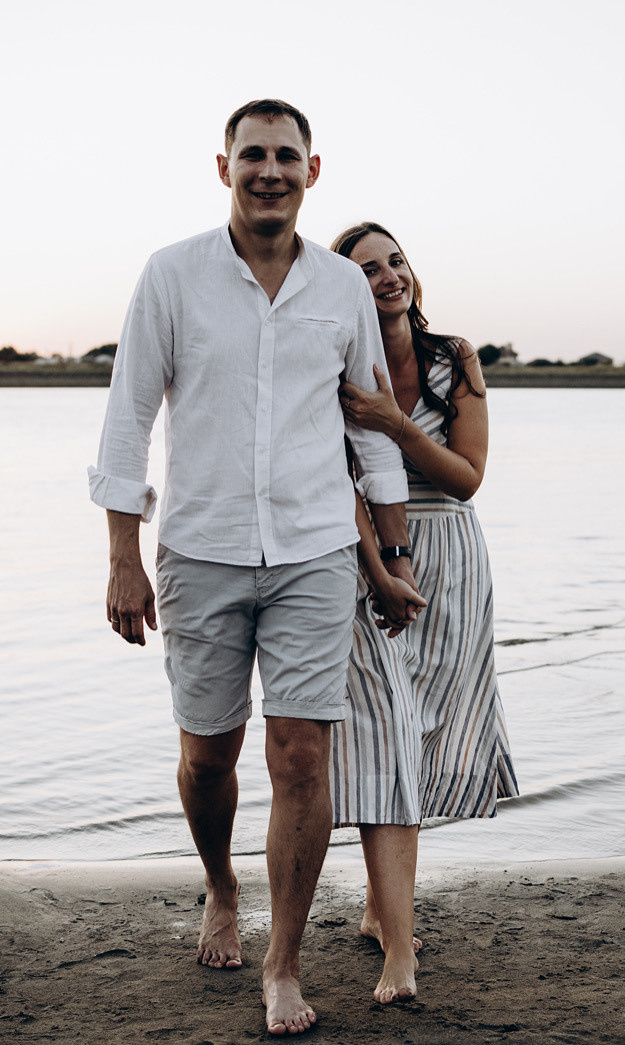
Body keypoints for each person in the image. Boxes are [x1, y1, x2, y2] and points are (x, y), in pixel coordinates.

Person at [88, 102, 421, 1036]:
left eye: (285, 155)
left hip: (315, 552)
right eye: (252, 155)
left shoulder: (341, 286)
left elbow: (373, 428)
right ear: (223, 166)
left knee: (301, 755)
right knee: (207, 756)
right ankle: (220, 883)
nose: (268, 170)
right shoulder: (172, 274)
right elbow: (127, 419)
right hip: (200, 549)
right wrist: (122, 558)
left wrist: (392, 557)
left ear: (312, 170)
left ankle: (284, 961)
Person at [330, 222, 519, 1005]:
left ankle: (384, 907)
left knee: (429, 728)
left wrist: (396, 424)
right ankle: (396, 937)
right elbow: (339, 478)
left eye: (396, 261)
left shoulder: (455, 356)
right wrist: (378, 565)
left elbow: (468, 476)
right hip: (370, 557)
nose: (388, 277)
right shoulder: (335, 366)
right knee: (384, 730)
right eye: (367, 270)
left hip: (452, 554)